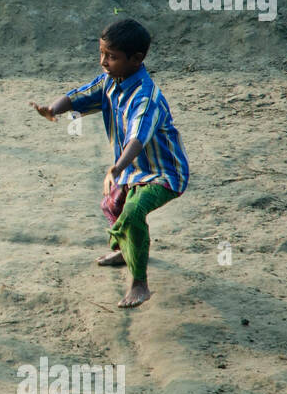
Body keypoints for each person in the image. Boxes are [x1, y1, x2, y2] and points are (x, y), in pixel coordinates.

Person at [30, 18, 190, 308]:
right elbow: (79, 95)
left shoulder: (146, 97)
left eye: (111, 57)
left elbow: (137, 139)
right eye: (102, 53)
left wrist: (116, 168)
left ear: (137, 59)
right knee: (111, 205)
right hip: (131, 169)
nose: (103, 61)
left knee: (132, 211)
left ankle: (139, 282)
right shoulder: (109, 82)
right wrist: (51, 109)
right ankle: (124, 249)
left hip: (163, 173)